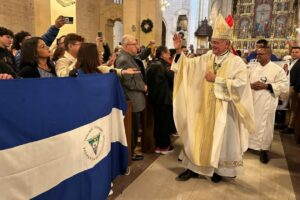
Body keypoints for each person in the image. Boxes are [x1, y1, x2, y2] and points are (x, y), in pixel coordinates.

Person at [171, 14, 255, 182]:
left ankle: (219, 170)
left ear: (227, 43)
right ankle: (193, 168)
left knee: (221, 141)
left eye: (216, 42)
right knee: (196, 135)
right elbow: (188, 66)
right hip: (204, 107)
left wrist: (216, 80)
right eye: (212, 42)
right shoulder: (208, 56)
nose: (213, 45)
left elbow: (241, 84)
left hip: (224, 108)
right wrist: (179, 49)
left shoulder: (236, 62)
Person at [248, 47, 289, 163]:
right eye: (257, 54)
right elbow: (244, 81)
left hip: (267, 103)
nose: (258, 56)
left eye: (261, 54)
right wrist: (251, 85)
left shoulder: (277, 70)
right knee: (250, 123)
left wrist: (267, 86)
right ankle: (248, 145)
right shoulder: (252, 68)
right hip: (252, 101)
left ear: (269, 55)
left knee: (266, 127)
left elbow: (284, 86)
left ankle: (264, 150)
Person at [115, 34, 147, 161]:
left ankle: (132, 150)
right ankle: (130, 153)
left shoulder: (129, 57)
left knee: (134, 127)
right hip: (131, 99)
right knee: (132, 129)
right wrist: (142, 86)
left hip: (135, 99)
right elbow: (128, 82)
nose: (137, 47)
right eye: (134, 44)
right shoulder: (124, 59)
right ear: (126, 46)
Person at [146, 46, 175, 154]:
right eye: (168, 53)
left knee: (158, 123)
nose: (169, 55)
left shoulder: (151, 64)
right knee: (164, 124)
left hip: (154, 99)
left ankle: (158, 146)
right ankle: (164, 146)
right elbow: (173, 80)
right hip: (165, 99)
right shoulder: (165, 66)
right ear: (162, 54)